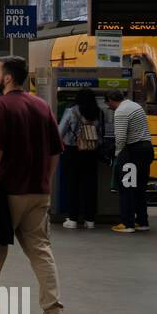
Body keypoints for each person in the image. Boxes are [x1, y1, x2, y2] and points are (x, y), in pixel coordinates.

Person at [0, 56, 65, 314]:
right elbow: (55, 151)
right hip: (38, 192)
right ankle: (53, 311)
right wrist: (46, 180)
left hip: (9, 191)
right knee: (41, 250)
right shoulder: (41, 105)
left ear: (8, 78)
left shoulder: (1, 106)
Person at [106, 88, 153, 235]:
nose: (109, 108)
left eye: (109, 104)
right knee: (139, 188)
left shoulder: (121, 111)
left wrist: (118, 155)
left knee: (126, 188)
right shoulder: (135, 106)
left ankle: (127, 223)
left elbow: (120, 138)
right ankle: (142, 222)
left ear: (112, 101)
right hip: (146, 149)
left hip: (132, 153)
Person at [58, 88, 104, 229]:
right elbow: (101, 134)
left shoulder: (71, 111)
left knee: (73, 185)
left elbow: (60, 131)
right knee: (90, 185)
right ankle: (90, 220)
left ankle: (72, 219)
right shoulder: (99, 112)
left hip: (72, 152)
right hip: (91, 152)